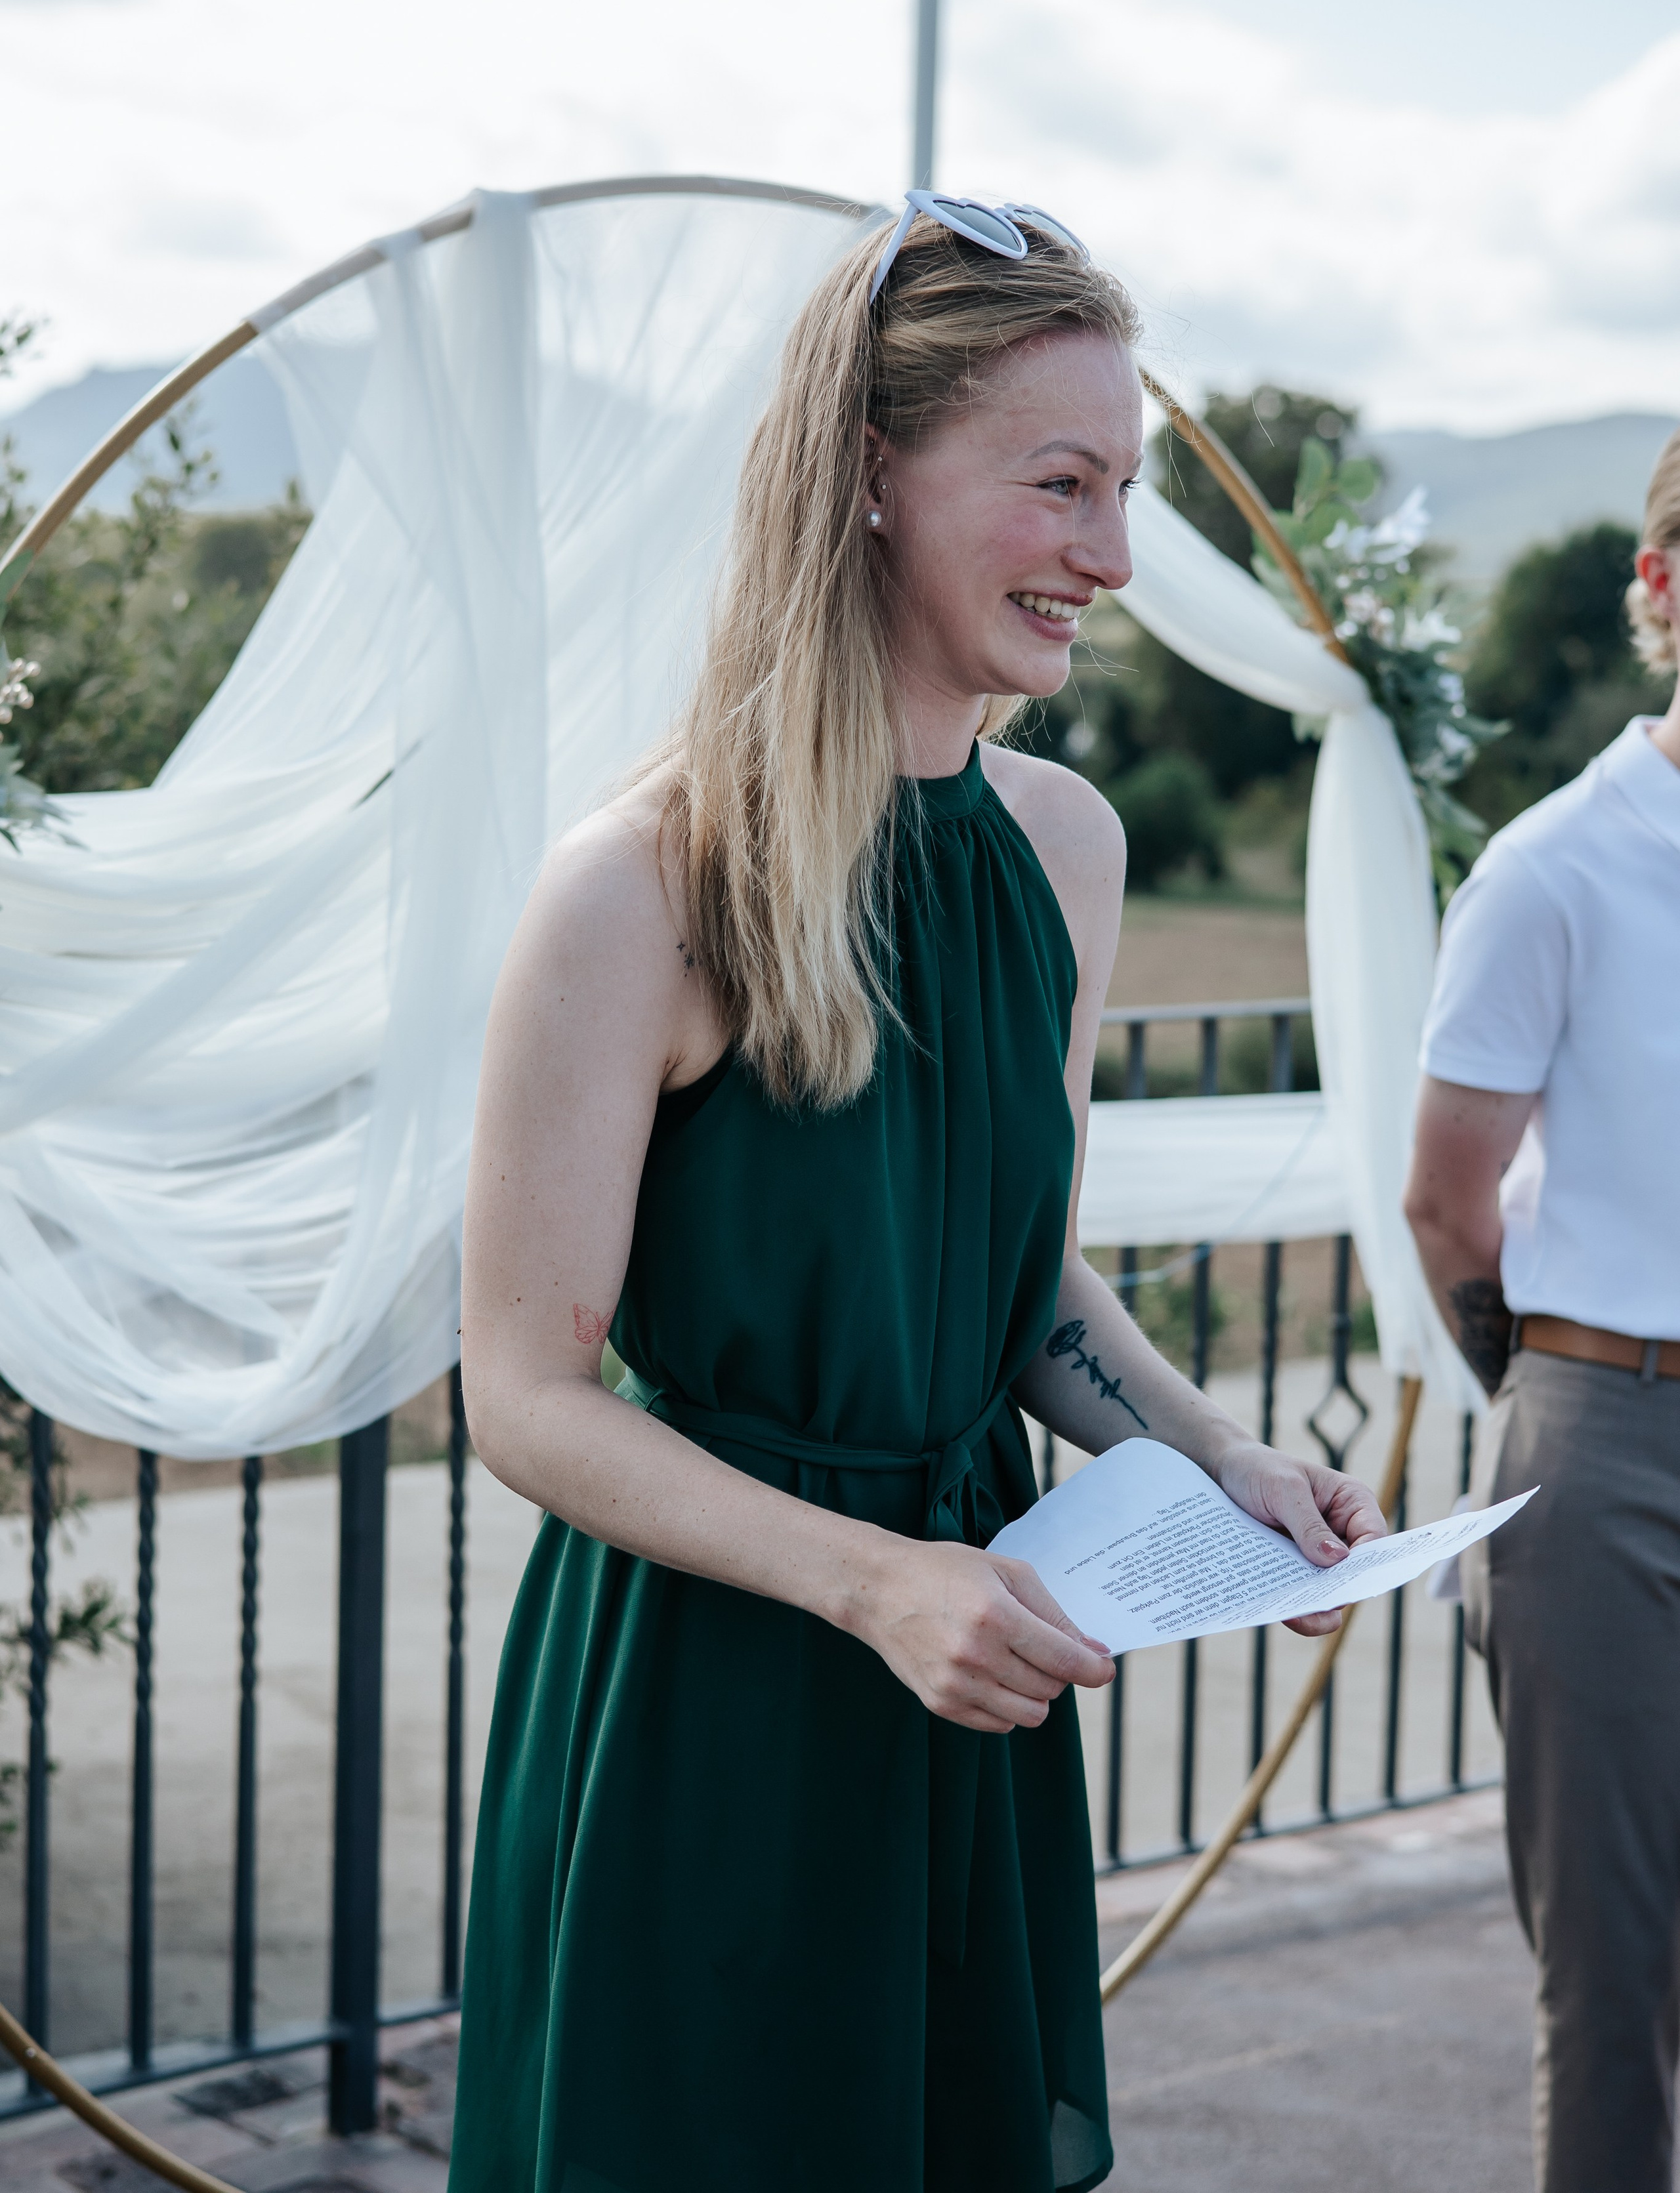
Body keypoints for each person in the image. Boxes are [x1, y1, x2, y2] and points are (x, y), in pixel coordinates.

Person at [449, 194, 1387, 2193]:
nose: (1114, 559)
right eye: (1061, 485)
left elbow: (1026, 1288)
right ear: (874, 477)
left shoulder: (1064, 848)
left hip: (970, 1694)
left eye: (1126, 492)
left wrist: (1222, 1458)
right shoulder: (640, 887)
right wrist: (880, 1584)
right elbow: (521, 1399)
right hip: (707, 1714)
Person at [1404, 434, 1680, 2193]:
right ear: (1662, 591)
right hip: (1609, 1460)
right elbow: (1447, 1200)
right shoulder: (1555, 868)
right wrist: (1551, 1410)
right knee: (1613, 1982)